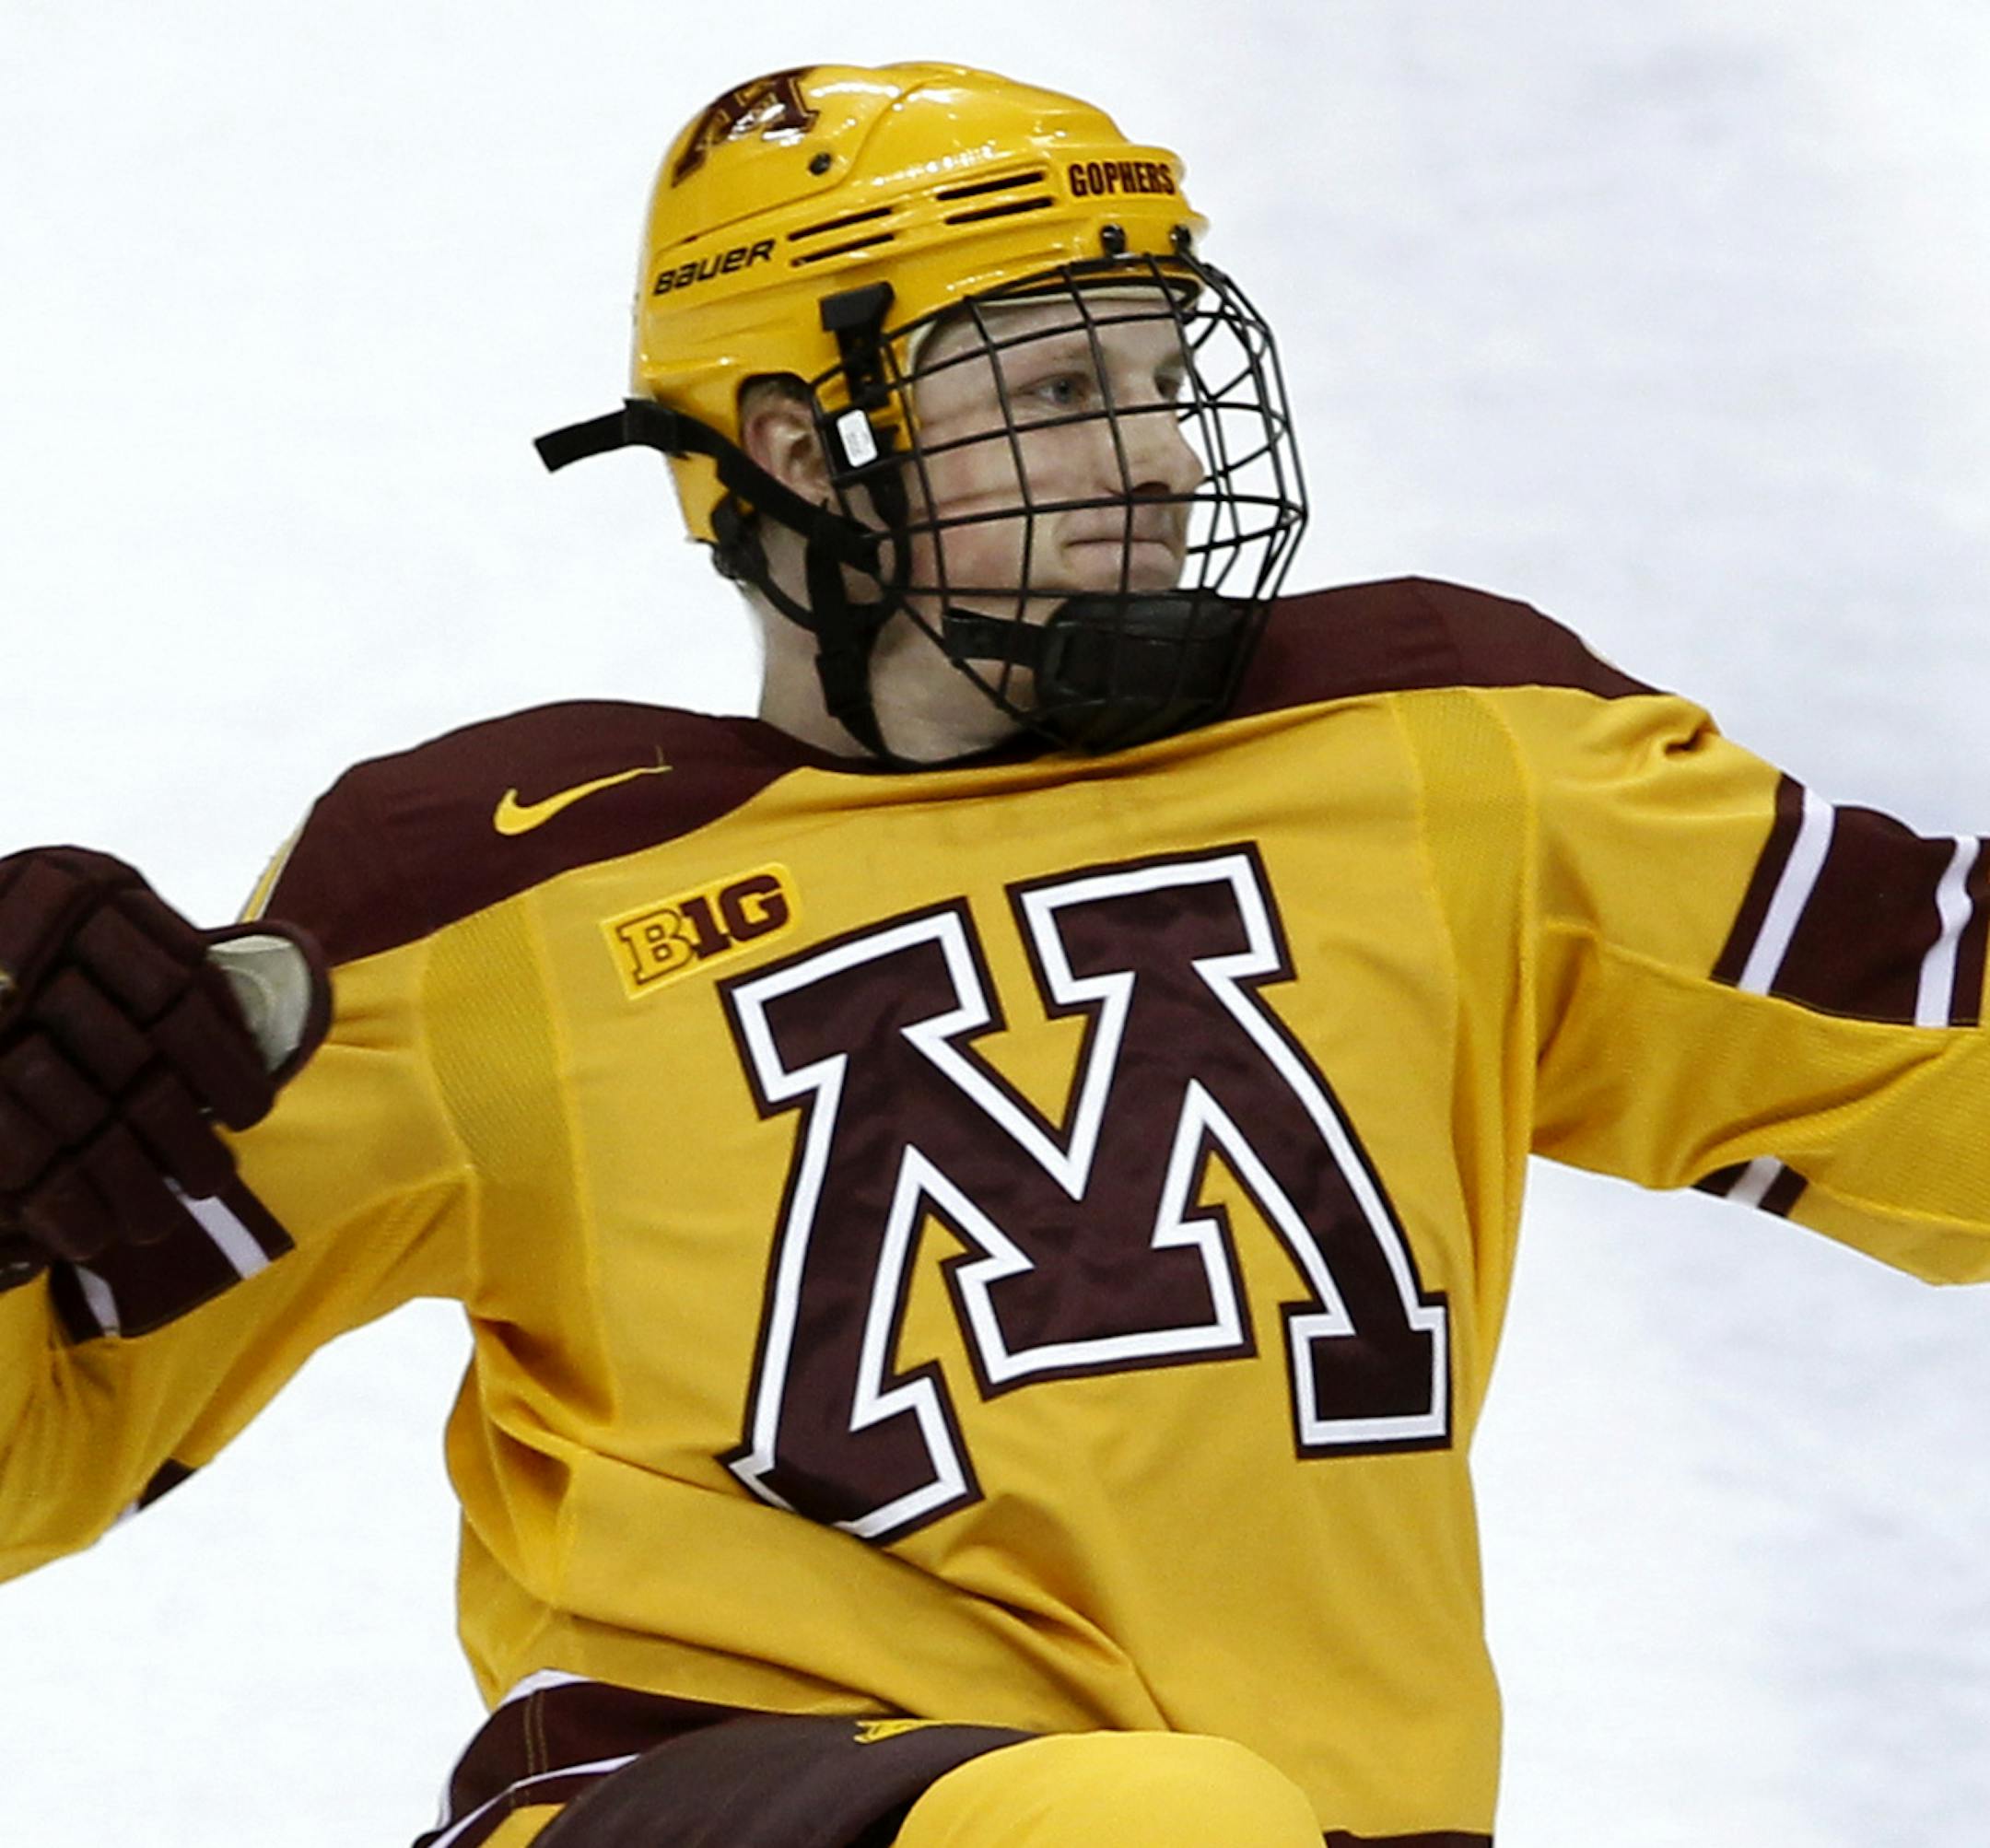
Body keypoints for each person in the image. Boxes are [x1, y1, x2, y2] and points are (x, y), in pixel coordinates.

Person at [1, 59, 1986, 1848]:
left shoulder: (1452, 760)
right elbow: (32, 1459)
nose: (1152, 455)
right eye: (1050, 391)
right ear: (788, 445)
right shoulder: (488, 894)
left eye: (1157, 373)